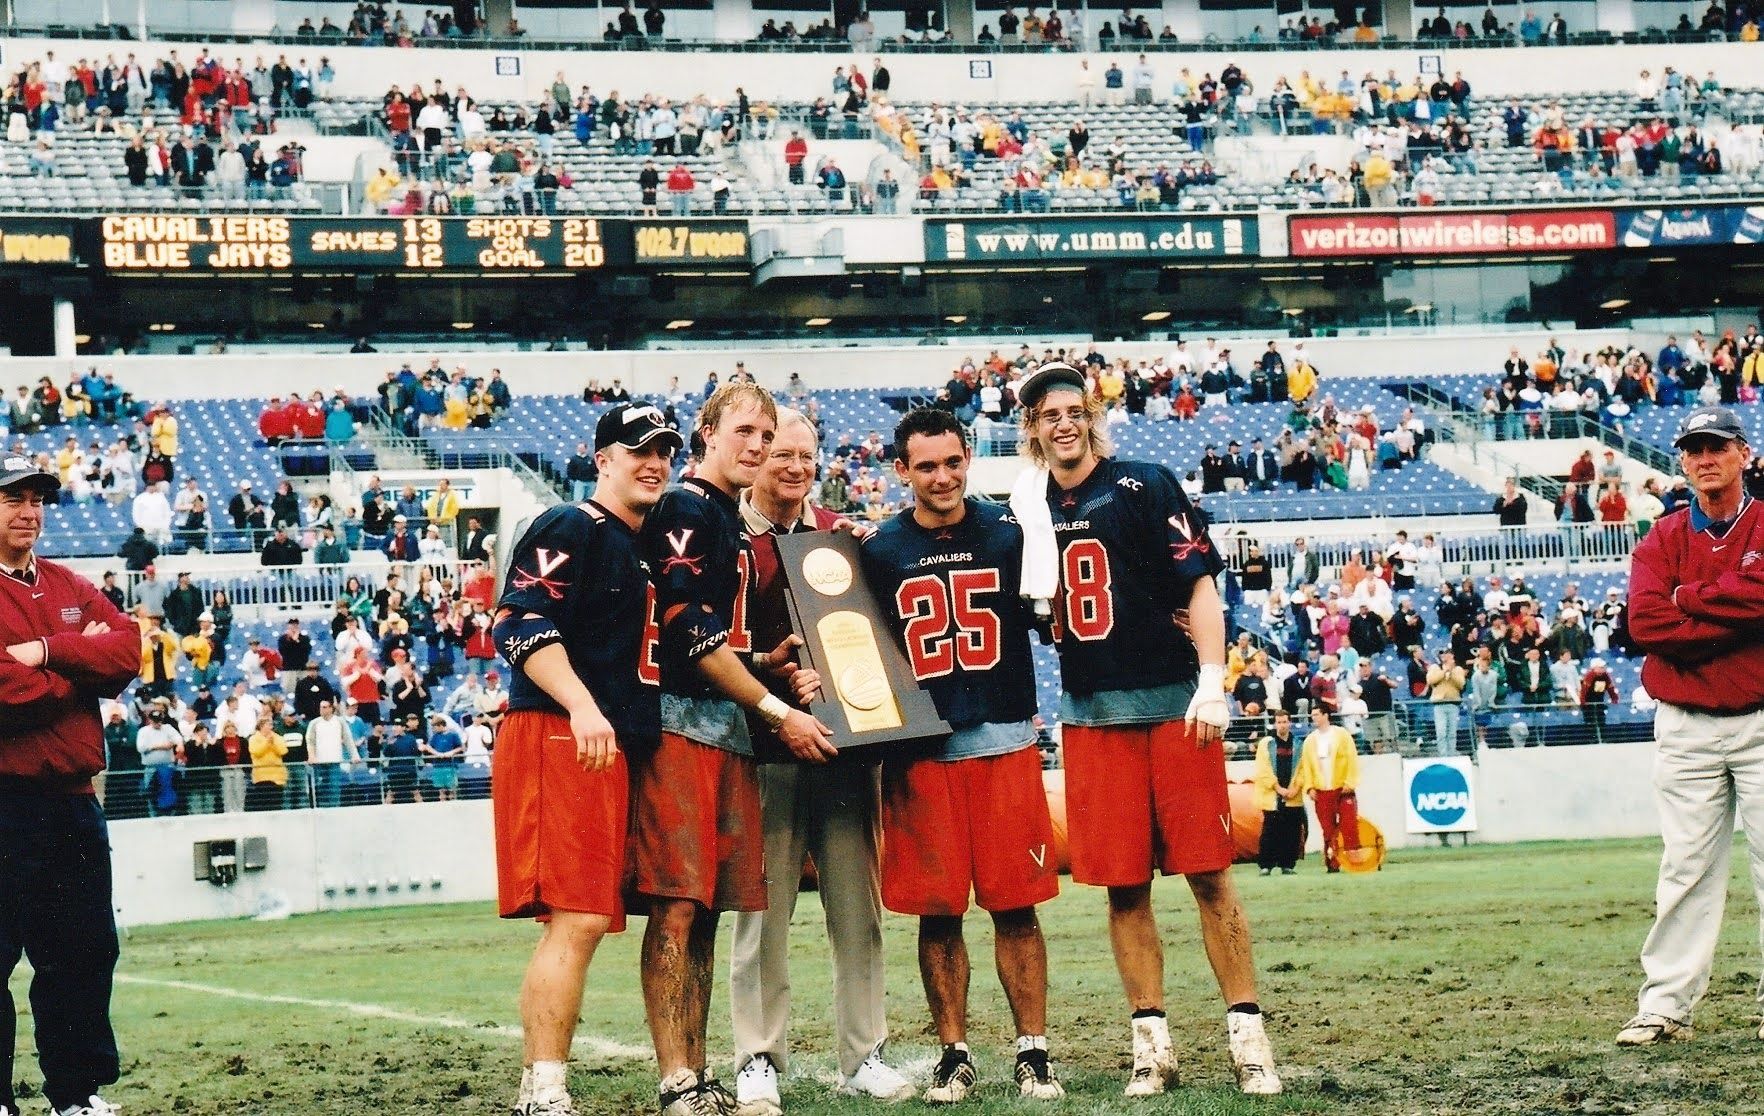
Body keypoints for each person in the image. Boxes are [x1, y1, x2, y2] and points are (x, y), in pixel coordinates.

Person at [1011, 363, 1282, 1097]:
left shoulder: (1145, 481)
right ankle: (1151, 1045)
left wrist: (1211, 679)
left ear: (1091, 416)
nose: (1062, 422)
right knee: (1122, 888)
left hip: (1171, 707)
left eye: (1073, 409)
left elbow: (1199, 583)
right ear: (1031, 427)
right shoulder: (1026, 508)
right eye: (1047, 413)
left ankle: (1248, 1037)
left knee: (1210, 875)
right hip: (1093, 715)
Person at [634, 384, 834, 1115]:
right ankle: (677, 1077)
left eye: (766, 434)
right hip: (686, 722)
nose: (756, 446)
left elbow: (718, 644)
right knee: (680, 908)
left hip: (721, 724)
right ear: (708, 432)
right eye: (744, 432)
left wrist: (765, 662)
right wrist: (778, 706)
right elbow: (689, 630)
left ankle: (696, 1071)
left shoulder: (721, 512)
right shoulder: (691, 507)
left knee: (708, 909)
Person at [860, 407, 1065, 1103]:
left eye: (952, 462)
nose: (942, 477)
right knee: (937, 910)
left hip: (1004, 735)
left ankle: (1033, 1050)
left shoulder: (1011, 533)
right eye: (926, 466)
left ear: (968, 458)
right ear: (901, 470)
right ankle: (954, 1051)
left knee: (1017, 905)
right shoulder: (880, 548)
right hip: (921, 750)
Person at [729, 410, 910, 1114]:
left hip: (843, 746)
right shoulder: (725, 537)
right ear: (758, 454)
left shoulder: (841, 537)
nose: (795, 467)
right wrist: (776, 684)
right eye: (781, 453)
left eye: (806, 454)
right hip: (764, 745)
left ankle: (864, 1051)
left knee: (857, 910)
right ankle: (757, 1057)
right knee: (761, 915)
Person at [1619, 405, 1764, 1047]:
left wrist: (1687, 601)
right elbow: (1645, 624)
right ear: (1681, 461)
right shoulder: (1661, 538)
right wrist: (1733, 613)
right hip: (1685, 724)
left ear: (1743, 454)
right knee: (1684, 868)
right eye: (1693, 449)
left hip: (1760, 718)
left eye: (1717, 447)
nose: (1705, 458)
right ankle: (1666, 1005)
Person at [0, 454, 139, 1116]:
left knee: (83, 955)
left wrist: (53, 652)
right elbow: (4, 691)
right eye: (11, 499)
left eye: (35, 499)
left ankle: (74, 1096)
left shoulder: (66, 582)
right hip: (4, 804)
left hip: (74, 803)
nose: (28, 511)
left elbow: (128, 650)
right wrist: (80, 670)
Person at [1297, 706, 1360, 873]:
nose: (1314, 718)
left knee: (1349, 824)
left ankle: (1355, 860)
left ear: (1326, 715)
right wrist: (1309, 787)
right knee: (1328, 829)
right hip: (1321, 790)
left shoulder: (1342, 735)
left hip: (1342, 787)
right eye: (1313, 715)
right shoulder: (1310, 740)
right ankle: (1332, 863)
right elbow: (1306, 766)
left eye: (1317, 715)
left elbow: (1352, 758)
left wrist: (1350, 782)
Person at [1252, 710, 1308, 875]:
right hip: (1272, 796)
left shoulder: (1298, 744)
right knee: (1270, 830)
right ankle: (1266, 865)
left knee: (1292, 831)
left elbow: (1303, 769)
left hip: (1293, 796)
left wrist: (1295, 789)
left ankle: (1287, 864)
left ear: (1289, 722)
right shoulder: (1267, 744)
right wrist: (1278, 788)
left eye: (1284, 722)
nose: (1282, 725)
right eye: (1279, 722)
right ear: (1275, 723)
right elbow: (1264, 769)